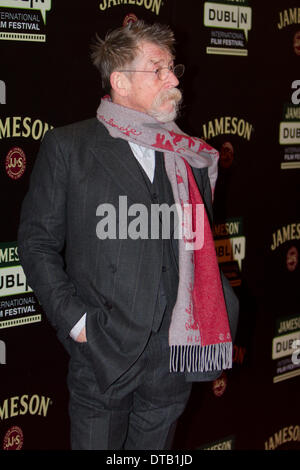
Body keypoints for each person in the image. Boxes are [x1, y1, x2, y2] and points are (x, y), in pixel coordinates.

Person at [18, 20, 239, 450]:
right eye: (157, 69)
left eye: (173, 68)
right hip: (103, 349)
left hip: (174, 352)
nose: (173, 79)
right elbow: (36, 243)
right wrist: (78, 324)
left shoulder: (189, 154)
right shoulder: (71, 146)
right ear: (120, 81)